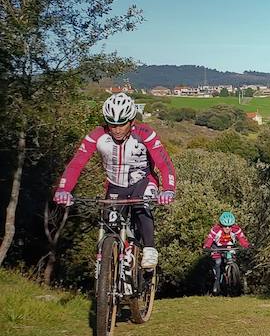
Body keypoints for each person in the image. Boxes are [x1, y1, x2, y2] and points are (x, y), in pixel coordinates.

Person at [52, 93, 177, 269]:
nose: (117, 129)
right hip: (115, 185)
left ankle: (149, 248)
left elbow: (164, 163)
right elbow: (76, 164)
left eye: (122, 124)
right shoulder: (96, 135)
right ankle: (111, 265)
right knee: (110, 223)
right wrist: (63, 189)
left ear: (132, 121)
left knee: (142, 207)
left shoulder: (145, 133)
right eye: (112, 124)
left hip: (143, 181)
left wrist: (168, 188)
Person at [203, 211, 250, 294]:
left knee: (232, 258)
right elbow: (210, 239)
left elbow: (242, 238)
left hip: (229, 246)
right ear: (221, 225)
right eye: (225, 226)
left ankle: (233, 276)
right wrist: (207, 246)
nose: (227, 228)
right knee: (218, 262)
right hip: (217, 247)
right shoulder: (216, 229)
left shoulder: (236, 229)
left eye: (229, 226)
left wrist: (246, 245)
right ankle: (217, 282)